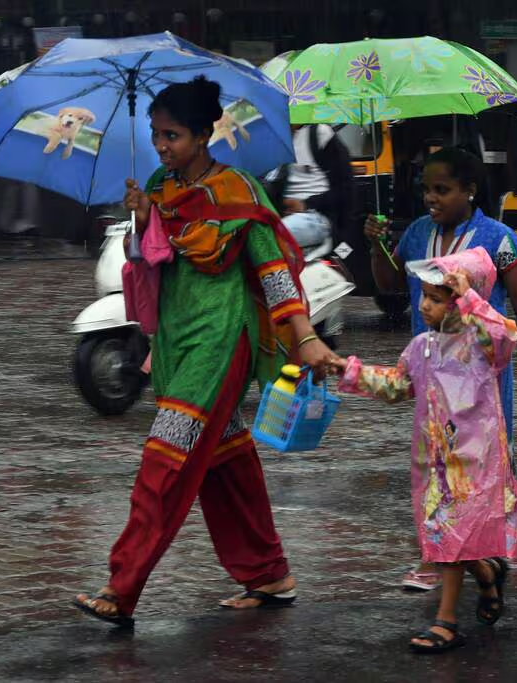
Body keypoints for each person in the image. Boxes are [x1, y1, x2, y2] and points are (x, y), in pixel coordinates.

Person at [73, 76, 340, 627]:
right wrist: (141, 218)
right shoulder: (158, 186)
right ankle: (268, 573)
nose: (161, 145)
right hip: (174, 338)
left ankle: (121, 587)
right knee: (226, 460)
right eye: (155, 134)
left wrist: (305, 337)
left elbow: (274, 271)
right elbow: (148, 259)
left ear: (202, 134)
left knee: (164, 460)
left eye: (171, 135)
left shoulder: (239, 190)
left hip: (221, 339)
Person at [365, 146, 517, 590]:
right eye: (427, 189)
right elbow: (388, 284)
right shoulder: (417, 234)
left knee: (483, 466)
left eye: (442, 189)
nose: (431, 198)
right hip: (433, 375)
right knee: (437, 465)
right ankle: (453, 552)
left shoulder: (498, 238)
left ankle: (472, 548)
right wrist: (377, 246)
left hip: (483, 378)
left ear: (470, 190)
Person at [332, 247, 517, 653]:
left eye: (436, 298)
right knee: (446, 533)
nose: (424, 305)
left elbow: (505, 336)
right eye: (423, 296)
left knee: (451, 533)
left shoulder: (482, 346)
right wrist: (347, 370)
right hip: (435, 462)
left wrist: (469, 296)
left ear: (460, 302)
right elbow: (397, 385)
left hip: (476, 461)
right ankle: (486, 574)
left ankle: (446, 621)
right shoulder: (420, 347)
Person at [267, 123, 355, 250]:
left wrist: (305, 204)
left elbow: (345, 188)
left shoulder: (319, 134)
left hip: (317, 217)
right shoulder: (275, 142)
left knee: (269, 238)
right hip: (283, 217)